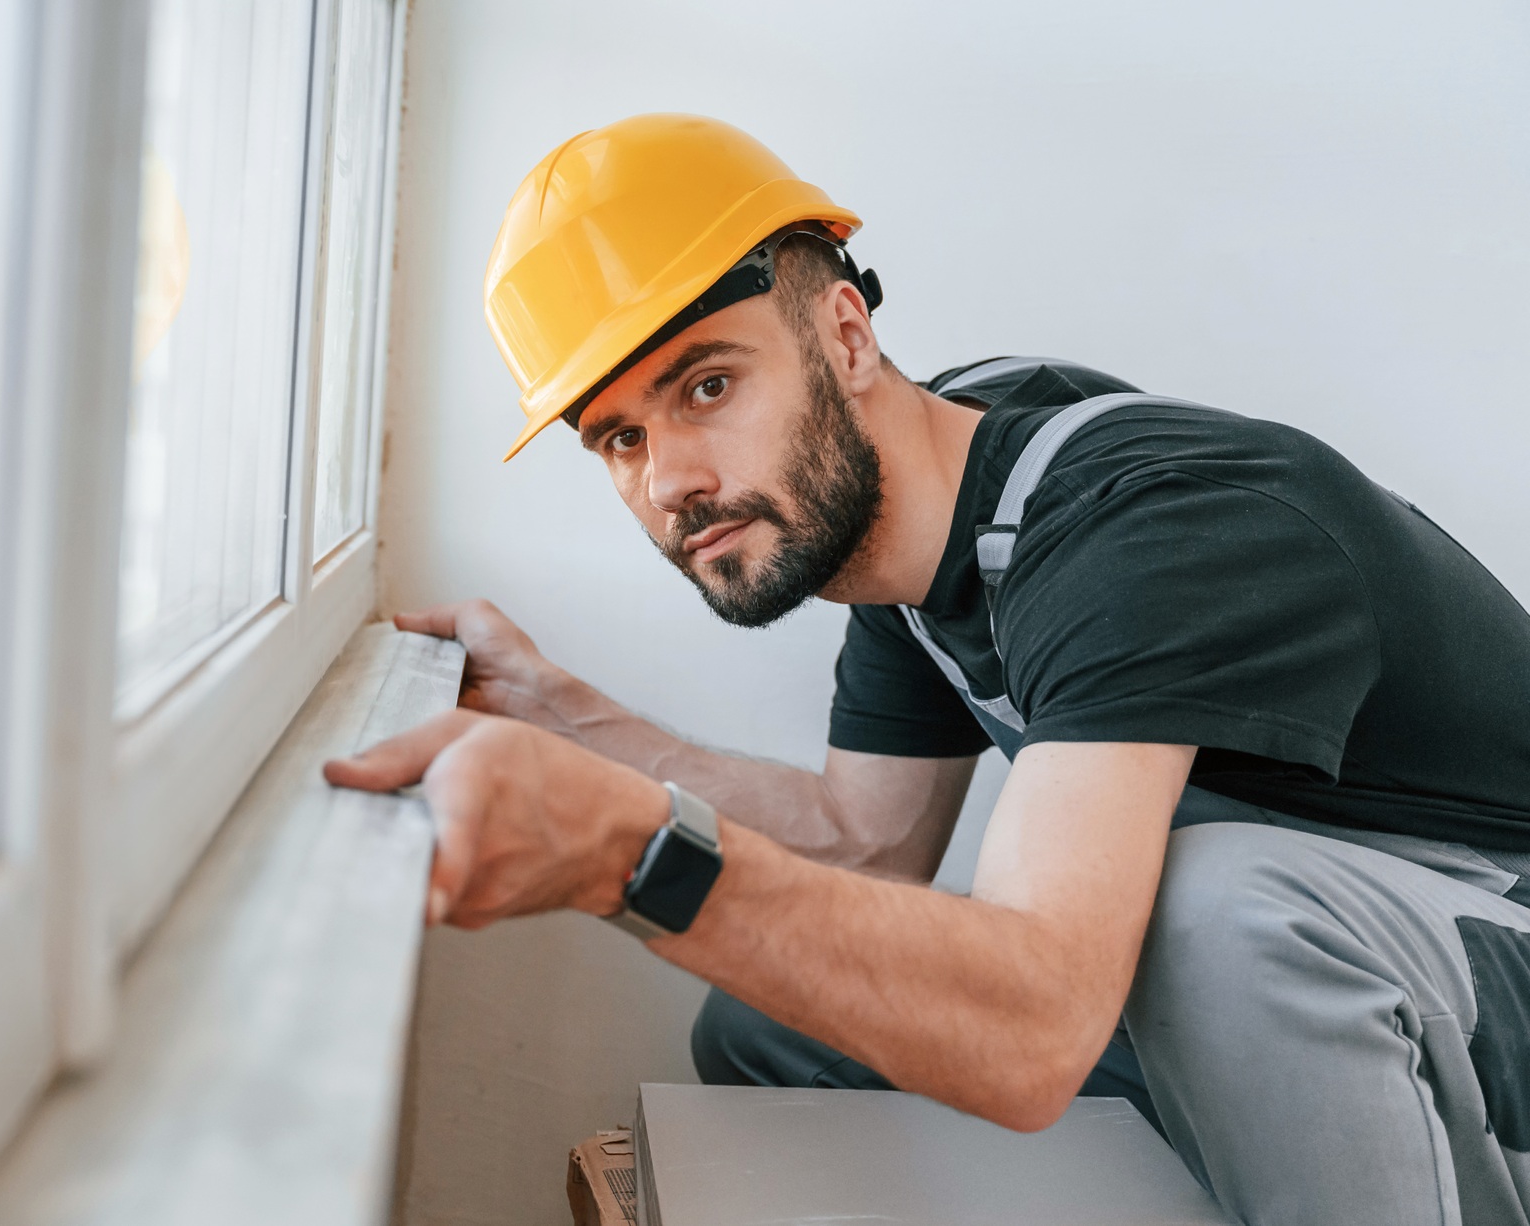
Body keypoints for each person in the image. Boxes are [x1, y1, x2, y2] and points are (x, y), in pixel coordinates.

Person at [324, 114, 1530, 1225]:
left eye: (706, 383)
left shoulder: (1137, 527)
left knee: (1219, 908)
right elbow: (863, 840)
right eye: (620, 437)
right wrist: (557, 713)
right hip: (1345, 992)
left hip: (1486, 960)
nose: (670, 478)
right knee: (775, 1019)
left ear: (844, 335)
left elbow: (1035, 1026)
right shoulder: (917, 518)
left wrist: (622, 850)